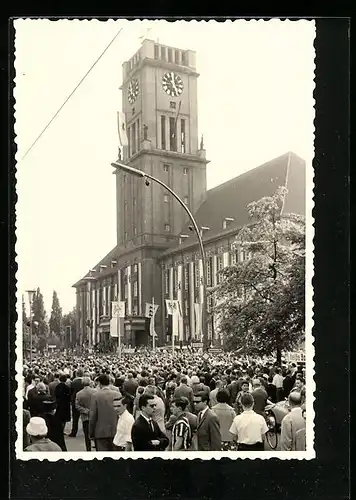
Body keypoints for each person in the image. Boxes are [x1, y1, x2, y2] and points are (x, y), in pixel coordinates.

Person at [89, 374, 121, 451]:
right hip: (116, 430)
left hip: (100, 431)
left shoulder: (95, 396)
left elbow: (93, 416)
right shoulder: (117, 394)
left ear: (99, 383)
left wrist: (91, 432)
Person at [75, 376, 96, 451]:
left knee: (87, 436)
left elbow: (77, 405)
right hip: (94, 416)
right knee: (96, 435)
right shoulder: (95, 392)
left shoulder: (79, 394)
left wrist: (85, 410)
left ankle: (88, 450)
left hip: (85, 417)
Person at [68, 368, 85, 437]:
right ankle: (86, 431)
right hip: (84, 401)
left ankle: (74, 432)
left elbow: (71, 392)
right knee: (85, 417)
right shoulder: (85, 382)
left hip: (75, 401)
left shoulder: (73, 382)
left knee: (75, 418)